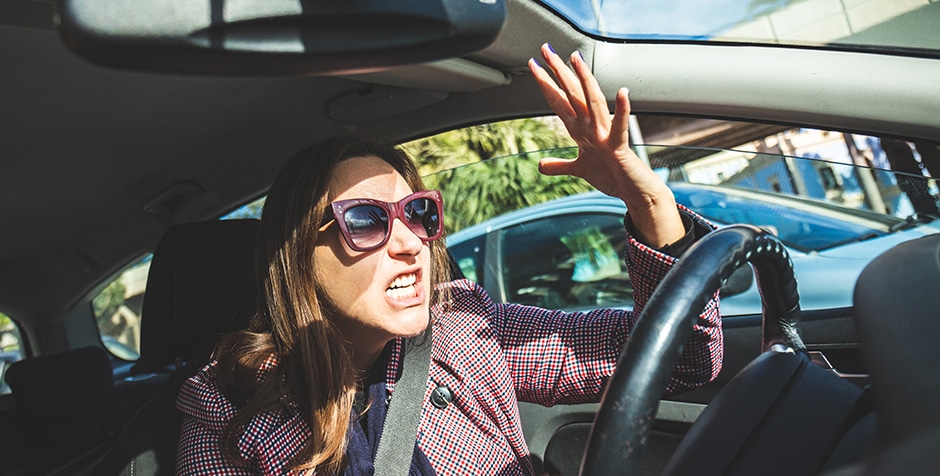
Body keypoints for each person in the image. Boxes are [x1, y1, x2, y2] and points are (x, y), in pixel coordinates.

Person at [175, 44, 723, 475]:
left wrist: (647, 203)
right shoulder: (229, 411)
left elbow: (683, 358)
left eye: (418, 214)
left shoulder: (466, 330)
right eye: (366, 219)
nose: (411, 242)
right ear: (297, 256)